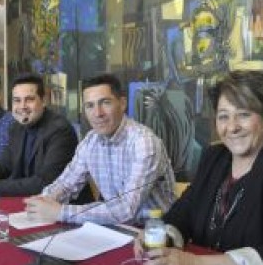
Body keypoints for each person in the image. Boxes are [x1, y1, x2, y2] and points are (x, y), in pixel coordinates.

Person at [135, 70, 263, 265]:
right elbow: (182, 215)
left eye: (244, 114)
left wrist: (195, 264)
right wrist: (158, 236)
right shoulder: (214, 158)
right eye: (224, 116)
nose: (232, 127)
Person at [24, 73, 176, 225]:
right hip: (116, 229)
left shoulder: (144, 142)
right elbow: (66, 184)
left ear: (122, 103)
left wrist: (60, 212)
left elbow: (127, 209)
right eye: (90, 106)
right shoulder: (90, 141)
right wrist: (43, 201)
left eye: (105, 103)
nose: (98, 113)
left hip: (155, 233)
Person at [0, 74, 80, 197]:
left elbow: (44, 183)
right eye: (17, 100)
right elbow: (4, 164)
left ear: (44, 101)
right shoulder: (16, 127)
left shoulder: (60, 131)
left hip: (63, 209)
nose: (22, 106)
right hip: (29, 202)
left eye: (29, 99)